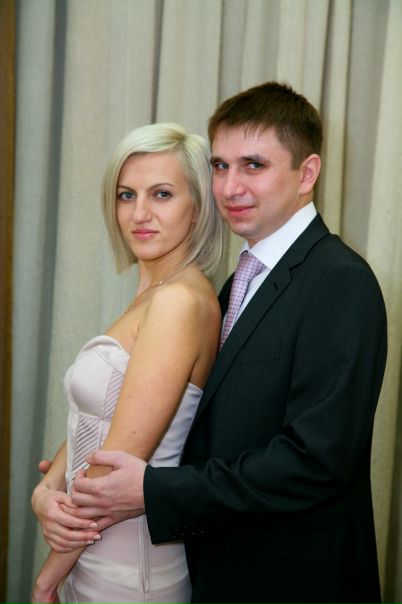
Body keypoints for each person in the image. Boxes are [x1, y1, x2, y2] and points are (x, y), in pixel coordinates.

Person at [38, 82, 387, 604]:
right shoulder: (237, 284)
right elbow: (198, 431)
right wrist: (59, 480)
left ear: (307, 173)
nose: (229, 186)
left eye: (253, 166)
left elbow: (317, 462)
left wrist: (154, 491)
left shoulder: (340, 280)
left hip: (293, 582)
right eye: (220, 166)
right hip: (215, 567)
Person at [31, 122, 224, 603]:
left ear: (198, 207)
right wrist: (46, 490)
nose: (139, 213)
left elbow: (115, 465)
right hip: (97, 556)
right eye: (126, 195)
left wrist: (46, 579)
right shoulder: (154, 295)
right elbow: (103, 420)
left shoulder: (179, 302)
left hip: (129, 575)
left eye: (162, 194)